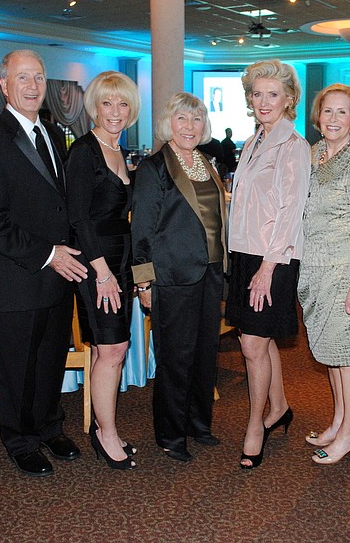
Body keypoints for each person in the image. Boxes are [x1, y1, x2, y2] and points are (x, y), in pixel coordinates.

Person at [0, 50, 89, 478]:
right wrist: (49, 254)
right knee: (19, 363)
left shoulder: (54, 134)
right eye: (23, 77)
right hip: (19, 273)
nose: (33, 85)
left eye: (38, 77)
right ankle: (19, 439)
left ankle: (49, 426)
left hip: (59, 274)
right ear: (5, 86)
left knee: (52, 357)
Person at [131, 92, 228, 463]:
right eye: (182, 119)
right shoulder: (154, 168)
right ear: (167, 124)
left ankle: (198, 424)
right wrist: (143, 283)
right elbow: (141, 231)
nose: (190, 127)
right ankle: (170, 434)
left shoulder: (206, 162)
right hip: (171, 276)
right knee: (175, 356)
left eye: (197, 119)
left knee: (206, 352)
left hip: (209, 273)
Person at [226, 59, 310, 469]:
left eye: (272, 94)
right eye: (256, 94)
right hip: (244, 253)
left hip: (271, 257)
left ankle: (256, 425)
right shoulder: (253, 141)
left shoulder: (294, 147)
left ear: (289, 99)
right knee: (260, 339)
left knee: (251, 344)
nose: (263, 101)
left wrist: (267, 267)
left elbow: (291, 211)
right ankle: (279, 407)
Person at [298, 84, 350, 465]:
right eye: (327, 111)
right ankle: (337, 422)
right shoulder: (315, 154)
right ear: (318, 117)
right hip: (317, 273)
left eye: (342, 113)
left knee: (348, 357)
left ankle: (349, 433)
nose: (333, 119)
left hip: (349, 275)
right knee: (330, 355)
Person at [66, 71, 140, 470]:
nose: (115, 111)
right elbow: (79, 218)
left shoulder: (117, 149)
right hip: (97, 265)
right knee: (110, 350)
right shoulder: (85, 151)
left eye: (123, 103)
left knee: (111, 349)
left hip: (119, 263)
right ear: (95, 107)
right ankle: (105, 434)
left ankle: (104, 427)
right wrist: (103, 273)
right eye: (108, 103)